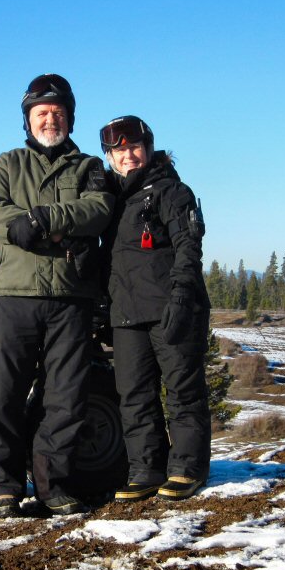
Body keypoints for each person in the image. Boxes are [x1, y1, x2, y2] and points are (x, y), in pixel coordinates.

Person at [0, 73, 114, 517]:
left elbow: (97, 210)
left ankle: (53, 486)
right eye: (41, 113)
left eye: (57, 112)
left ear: (70, 119)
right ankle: (4, 488)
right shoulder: (8, 163)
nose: (49, 119)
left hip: (71, 298)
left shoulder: (90, 167)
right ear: (28, 120)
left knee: (66, 397)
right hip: (16, 295)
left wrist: (38, 219)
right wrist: (51, 229)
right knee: (2, 396)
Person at [98, 115, 211, 502]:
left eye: (134, 147)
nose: (127, 155)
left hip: (171, 308)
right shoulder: (111, 200)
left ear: (147, 148)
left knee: (182, 390)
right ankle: (146, 469)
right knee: (134, 395)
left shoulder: (171, 191)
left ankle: (187, 468)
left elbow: (188, 248)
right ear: (110, 156)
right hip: (126, 313)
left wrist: (182, 298)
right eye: (119, 149)